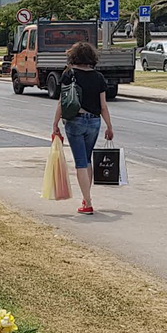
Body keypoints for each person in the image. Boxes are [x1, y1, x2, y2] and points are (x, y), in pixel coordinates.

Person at [50, 42, 115, 215]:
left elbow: (62, 102)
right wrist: (109, 126)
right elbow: (103, 106)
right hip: (94, 121)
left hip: (75, 121)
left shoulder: (69, 74)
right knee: (87, 159)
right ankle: (86, 197)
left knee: (80, 162)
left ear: (74, 56)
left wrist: (55, 123)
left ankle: (88, 202)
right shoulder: (98, 77)